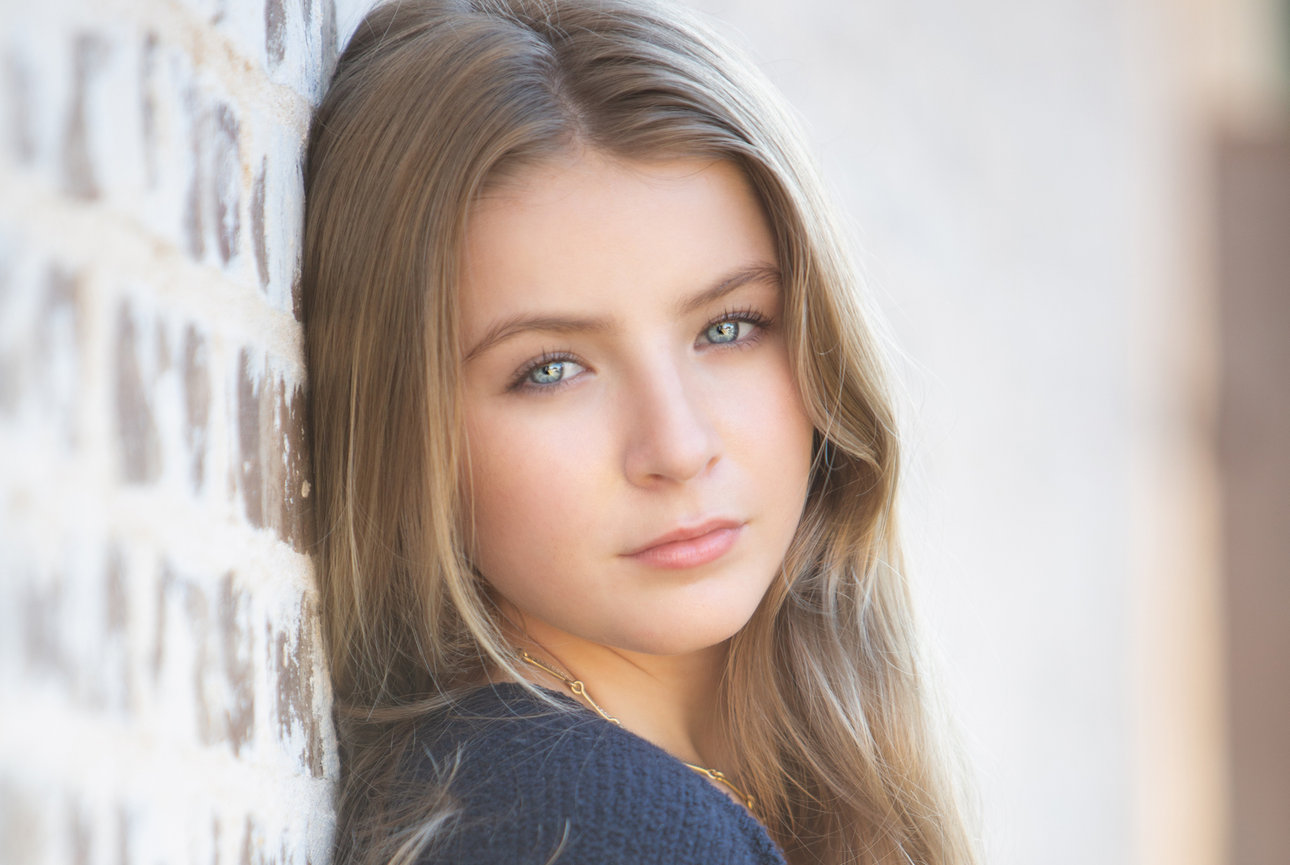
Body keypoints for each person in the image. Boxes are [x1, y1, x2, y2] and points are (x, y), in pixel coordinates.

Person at [302, 1, 977, 863]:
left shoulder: (625, 798)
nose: (680, 448)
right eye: (551, 368)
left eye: (729, 327)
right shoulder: (589, 828)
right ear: (406, 430)